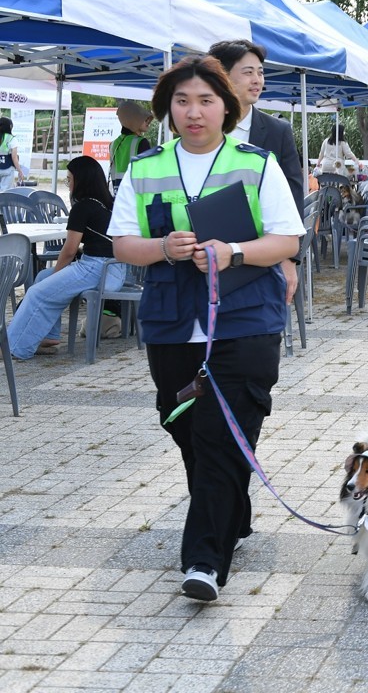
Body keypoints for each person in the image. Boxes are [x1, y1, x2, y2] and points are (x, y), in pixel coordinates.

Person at [109, 55, 304, 602]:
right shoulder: (146, 168)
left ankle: (203, 561)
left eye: (206, 101)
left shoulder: (256, 163)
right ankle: (232, 515)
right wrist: (163, 248)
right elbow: (122, 242)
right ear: (167, 109)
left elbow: (287, 241)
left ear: (228, 106)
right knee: (188, 431)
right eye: (181, 101)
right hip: (173, 323)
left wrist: (234, 251)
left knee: (222, 435)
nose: (194, 112)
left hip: (246, 321)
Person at [208, 40, 304, 308]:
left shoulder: (277, 131)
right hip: (208, 253)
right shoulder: (201, 129)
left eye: (260, 72)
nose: (257, 80)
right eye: (248, 72)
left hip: (264, 254)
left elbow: (294, 195)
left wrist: (289, 259)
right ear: (222, 76)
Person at [7, 156, 127, 359]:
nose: (68, 184)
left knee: (37, 292)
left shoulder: (83, 207)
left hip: (96, 269)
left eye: (69, 179)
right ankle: (49, 336)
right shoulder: (109, 203)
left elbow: (69, 250)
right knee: (43, 278)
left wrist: (58, 274)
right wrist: (53, 276)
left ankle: (14, 347)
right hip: (116, 270)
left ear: (81, 181)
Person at [109, 101, 153, 193]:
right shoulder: (141, 143)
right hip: (137, 197)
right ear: (134, 121)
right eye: (143, 118)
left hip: (119, 196)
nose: (148, 122)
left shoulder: (113, 144)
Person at [0, 116, 26, 191]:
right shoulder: (11, 139)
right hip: (8, 168)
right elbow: (14, 157)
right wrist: (20, 171)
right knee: (6, 193)